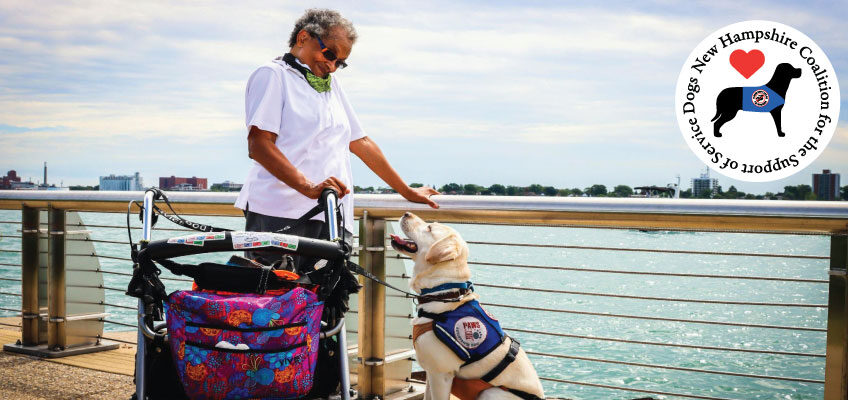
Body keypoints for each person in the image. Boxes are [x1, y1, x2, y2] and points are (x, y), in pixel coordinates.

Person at [235, 8, 439, 271]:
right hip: (279, 212)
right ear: (303, 38)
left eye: (340, 62)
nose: (332, 66)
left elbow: (360, 142)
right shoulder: (273, 75)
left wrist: (406, 191)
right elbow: (259, 144)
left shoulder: (330, 85)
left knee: (326, 304)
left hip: (332, 215)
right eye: (329, 54)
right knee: (275, 306)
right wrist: (308, 187)